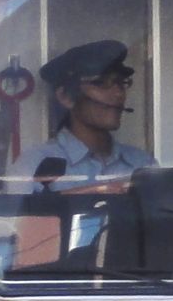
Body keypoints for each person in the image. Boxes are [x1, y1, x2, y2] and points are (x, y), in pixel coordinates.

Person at [14, 39, 158, 190]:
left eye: (121, 83)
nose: (118, 94)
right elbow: (18, 214)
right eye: (101, 83)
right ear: (65, 97)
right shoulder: (34, 165)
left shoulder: (142, 164)